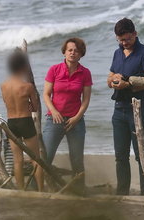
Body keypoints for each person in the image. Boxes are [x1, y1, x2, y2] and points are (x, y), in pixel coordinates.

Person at [107, 18, 144, 195]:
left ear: (135, 34)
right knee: (120, 156)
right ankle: (122, 193)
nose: (124, 43)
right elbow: (110, 77)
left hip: (139, 109)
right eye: (120, 40)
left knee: (140, 153)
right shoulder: (117, 53)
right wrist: (114, 81)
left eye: (127, 39)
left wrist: (127, 83)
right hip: (119, 108)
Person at [43, 37, 92, 194]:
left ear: (81, 54)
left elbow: (86, 100)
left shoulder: (85, 73)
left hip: (75, 121)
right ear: (64, 52)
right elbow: (46, 94)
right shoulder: (54, 70)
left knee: (77, 160)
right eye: (70, 50)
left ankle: (79, 191)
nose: (72, 53)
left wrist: (77, 117)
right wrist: (55, 111)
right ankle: (38, 187)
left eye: (76, 51)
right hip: (54, 119)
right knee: (46, 157)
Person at [1, 50, 44, 191]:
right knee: (36, 159)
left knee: (17, 160)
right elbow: (34, 108)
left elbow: (7, 103)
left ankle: (20, 190)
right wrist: (28, 104)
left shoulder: (4, 86)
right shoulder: (27, 87)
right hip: (26, 121)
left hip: (11, 123)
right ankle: (41, 190)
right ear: (23, 67)